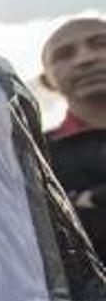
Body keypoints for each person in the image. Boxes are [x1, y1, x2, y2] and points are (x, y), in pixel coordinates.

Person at [44, 18, 106, 255]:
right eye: (64, 54)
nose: (85, 59)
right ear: (47, 80)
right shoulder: (30, 160)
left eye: (101, 43)